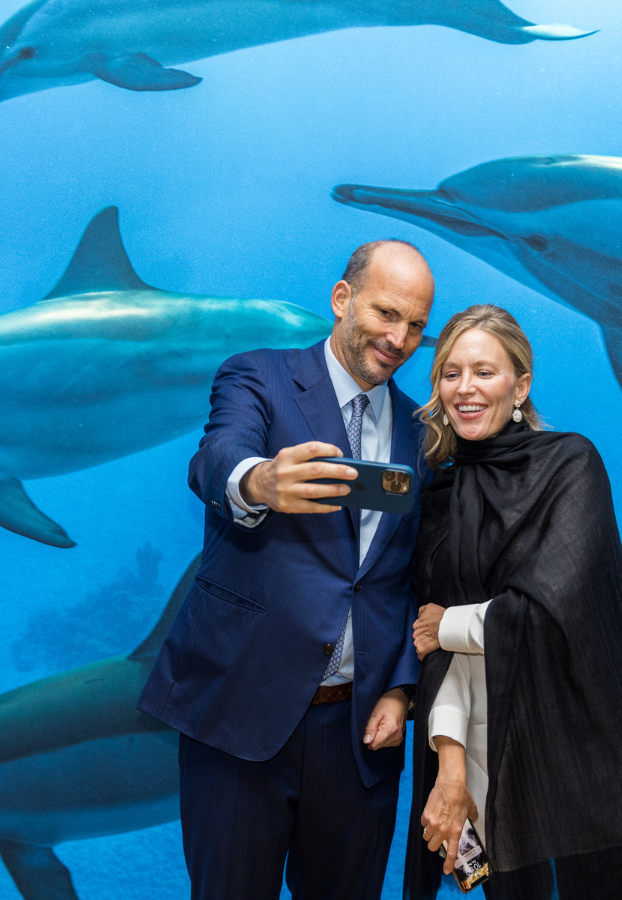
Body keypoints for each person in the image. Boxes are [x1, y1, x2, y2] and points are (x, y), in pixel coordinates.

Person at [138, 240, 435, 900]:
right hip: (242, 713)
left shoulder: (424, 433)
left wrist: (401, 688)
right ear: (341, 299)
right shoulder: (258, 376)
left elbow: (422, 578)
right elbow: (217, 456)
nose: (398, 338)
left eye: (415, 325)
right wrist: (258, 480)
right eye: (386, 313)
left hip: (361, 734)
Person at [404, 305, 622, 900]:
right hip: (489, 764)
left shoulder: (570, 464)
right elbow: (436, 658)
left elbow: (554, 614)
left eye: (484, 371)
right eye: (451, 374)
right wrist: (450, 774)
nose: (466, 389)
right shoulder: (441, 493)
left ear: (520, 385)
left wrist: (451, 623)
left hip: (586, 756)